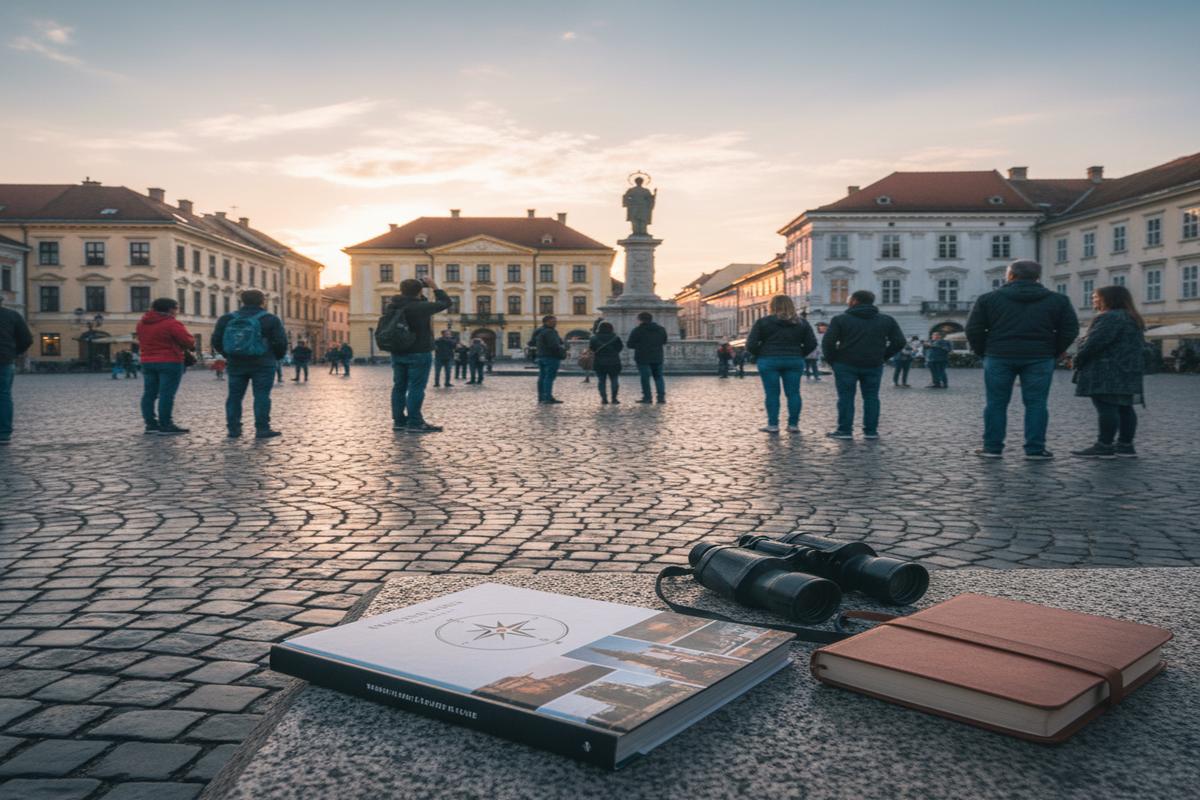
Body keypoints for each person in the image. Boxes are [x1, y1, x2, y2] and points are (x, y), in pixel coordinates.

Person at [966, 259, 1079, 460]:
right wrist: (1054, 350)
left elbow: (973, 330)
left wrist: (984, 351)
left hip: (999, 355)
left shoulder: (988, 299)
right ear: (1038, 277)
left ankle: (992, 448)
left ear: (1010, 276)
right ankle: (1035, 449)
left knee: (996, 403)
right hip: (1040, 356)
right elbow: (1070, 330)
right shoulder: (1058, 300)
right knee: (1036, 404)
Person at [1070, 286, 1146, 459]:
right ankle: (1126, 445)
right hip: (1128, 370)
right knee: (1125, 407)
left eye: (1096, 297)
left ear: (1109, 299)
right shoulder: (1133, 317)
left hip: (1106, 370)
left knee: (1106, 407)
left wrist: (1077, 358)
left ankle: (1104, 446)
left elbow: (1095, 343)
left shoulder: (1110, 317)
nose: (1093, 300)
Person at [821, 290, 906, 440]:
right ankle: (871, 431)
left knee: (846, 397)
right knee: (872, 397)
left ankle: (845, 430)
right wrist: (883, 356)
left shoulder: (840, 319)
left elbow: (828, 343)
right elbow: (899, 342)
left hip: (845, 363)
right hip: (873, 364)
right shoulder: (886, 320)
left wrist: (833, 360)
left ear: (854, 301)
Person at [213, 289, 288, 439]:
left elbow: (216, 341)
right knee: (261, 395)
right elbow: (281, 342)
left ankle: (233, 429)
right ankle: (262, 429)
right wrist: (275, 357)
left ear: (242, 301)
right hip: (263, 362)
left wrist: (229, 355)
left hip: (236, 363)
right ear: (263, 301)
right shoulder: (270, 319)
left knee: (234, 396)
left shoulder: (227, 318)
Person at [383, 276, 451, 433]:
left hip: (398, 351)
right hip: (419, 352)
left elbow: (416, 302)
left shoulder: (393, 305)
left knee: (399, 387)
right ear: (420, 291)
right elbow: (446, 302)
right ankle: (415, 422)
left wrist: (419, 292)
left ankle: (399, 421)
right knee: (416, 387)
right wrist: (434, 286)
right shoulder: (420, 307)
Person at [747, 295, 818, 434]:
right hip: (794, 360)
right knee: (793, 393)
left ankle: (773, 425)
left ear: (772, 306)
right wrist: (799, 353)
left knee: (772, 394)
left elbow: (751, 344)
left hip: (769, 360)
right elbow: (812, 343)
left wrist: (760, 353)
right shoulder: (801, 323)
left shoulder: (763, 322)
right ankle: (793, 425)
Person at [135, 297, 195, 435]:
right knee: (166, 394)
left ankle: (150, 425)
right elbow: (188, 341)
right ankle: (166, 424)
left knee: (149, 394)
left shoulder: (142, 323)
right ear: (170, 309)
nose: (177, 311)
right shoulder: (171, 323)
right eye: (176, 308)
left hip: (147, 361)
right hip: (170, 361)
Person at [0, 297, 33, 445]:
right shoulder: (12, 315)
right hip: (5, 359)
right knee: (4, 396)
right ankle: (3, 434)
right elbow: (27, 339)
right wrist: (14, 352)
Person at [627, 311, 668, 403]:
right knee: (658, 377)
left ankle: (647, 397)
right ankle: (661, 398)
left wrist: (640, 345)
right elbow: (664, 341)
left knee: (645, 378)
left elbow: (630, 344)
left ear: (640, 320)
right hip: (657, 356)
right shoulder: (661, 329)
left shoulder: (637, 330)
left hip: (642, 357)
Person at [531, 315, 566, 403]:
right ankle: (548, 397)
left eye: (555, 321)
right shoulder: (550, 332)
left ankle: (541, 397)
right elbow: (554, 345)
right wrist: (562, 352)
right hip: (551, 357)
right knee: (549, 377)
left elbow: (532, 342)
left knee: (542, 377)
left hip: (541, 356)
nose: (555, 323)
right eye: (553, 322)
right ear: (546, 322)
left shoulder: (539, 331)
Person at [588, 321, 624, 404]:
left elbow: (592, 348)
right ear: (611, 328)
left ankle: (604, 399)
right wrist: (613, 353)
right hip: (614, 361)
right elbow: (620, 348)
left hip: (599, 362)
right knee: (614, 380)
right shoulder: (615, 337)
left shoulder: (594, 338)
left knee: (601, 381)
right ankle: (614, 399)